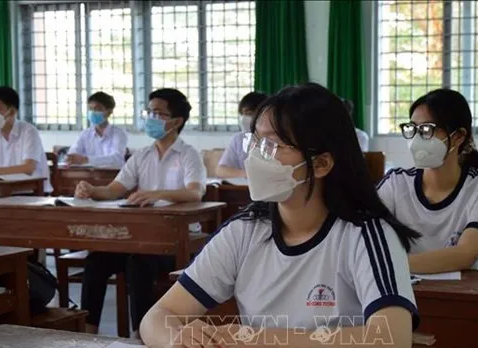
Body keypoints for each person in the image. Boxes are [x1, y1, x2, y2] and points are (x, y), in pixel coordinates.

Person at [140, 83, 420, 347]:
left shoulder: (366, 234)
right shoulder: (245, 231)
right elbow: (157, 317)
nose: (255, 158)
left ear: (321, 164)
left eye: (273, 146)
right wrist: (179, 340)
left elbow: (392, 338)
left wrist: (258, 340)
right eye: (255, 143)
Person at [73, 88, 206, 335]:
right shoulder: (142, 155)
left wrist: (158, 194)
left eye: (158, 113)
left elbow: (194, 192)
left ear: (176, 121)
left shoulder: (189, 154)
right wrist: (92, 189)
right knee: (96, 262)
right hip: (141, 236)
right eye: (149, 112)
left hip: (175, 239)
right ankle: (88, 331)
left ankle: (142, 334)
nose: (151, 118)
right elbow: (114, 189)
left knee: (139, 264)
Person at [378, 89, 478, 273]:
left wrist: (389, 266)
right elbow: (365, 235)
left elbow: (466, 254)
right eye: (412, 129)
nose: (416, 138)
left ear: (458, 136)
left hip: (469, 293)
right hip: (411, 290)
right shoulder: (396, 182)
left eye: (427, 129)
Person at [0, 86, 52, 193]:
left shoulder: (29, 131)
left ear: (12, 112)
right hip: (3, 193)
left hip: (33, 194)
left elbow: (28, 168)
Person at [66, 91, 128, 168]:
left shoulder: (119, 133)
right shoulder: (85, 134)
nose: (93, 112)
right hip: (88, 175)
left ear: (109, 111)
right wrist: (72, 157)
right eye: (91, 109)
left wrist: (87, 160)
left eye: (97, 109)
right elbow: (73, 152)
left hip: (113, 176)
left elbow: (117, 159)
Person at [216, 91, 268, 178]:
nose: (243, 119)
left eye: (249, 114)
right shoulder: (239, 139)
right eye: (242, 114)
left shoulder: (276, 139)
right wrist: (248, 174)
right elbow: (221, 171)